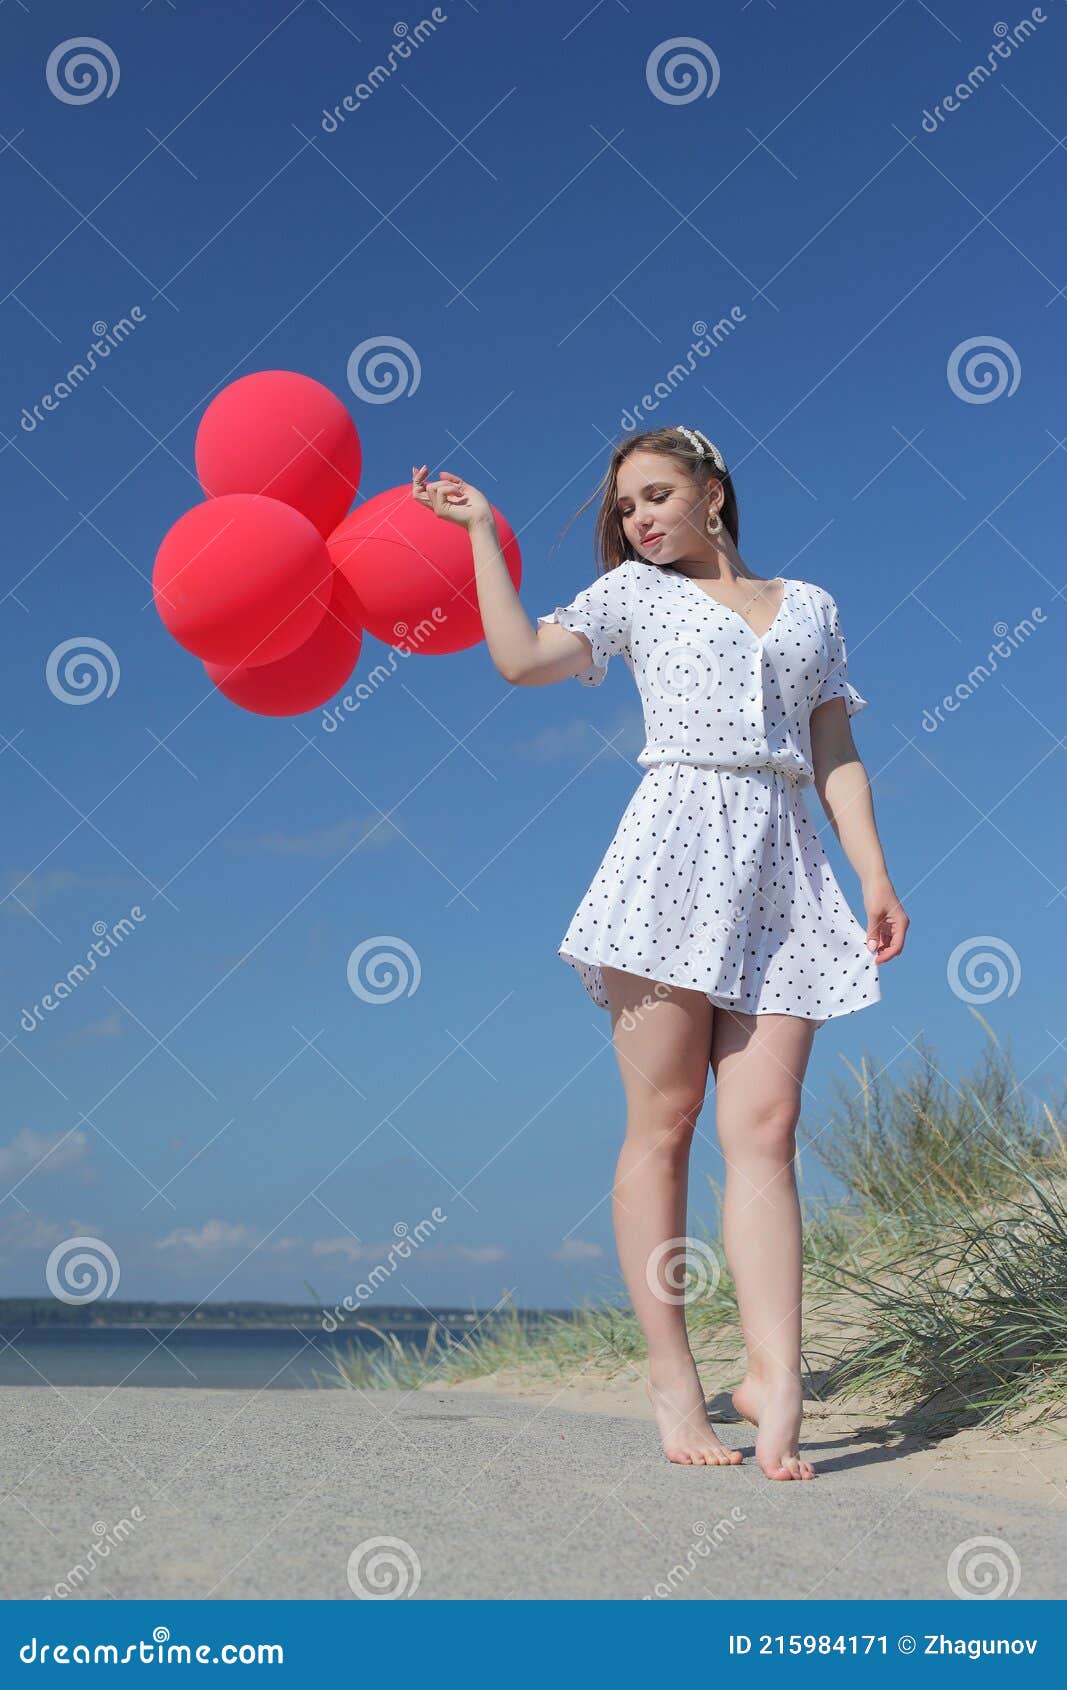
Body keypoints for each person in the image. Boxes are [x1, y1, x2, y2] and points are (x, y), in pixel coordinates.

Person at [411, 426, 908, 1480]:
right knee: (668, 1120)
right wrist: (478, 543)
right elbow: (517, 660)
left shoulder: (810, 605)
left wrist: (871, 872)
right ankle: (671, 1374)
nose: (636, 519)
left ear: (711, 495)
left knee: (765, 1125)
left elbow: (833, 749)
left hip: (784, 861)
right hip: (672, 853)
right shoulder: (630, 596)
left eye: (654, 496)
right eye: (624, 506)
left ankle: (776, 1372)